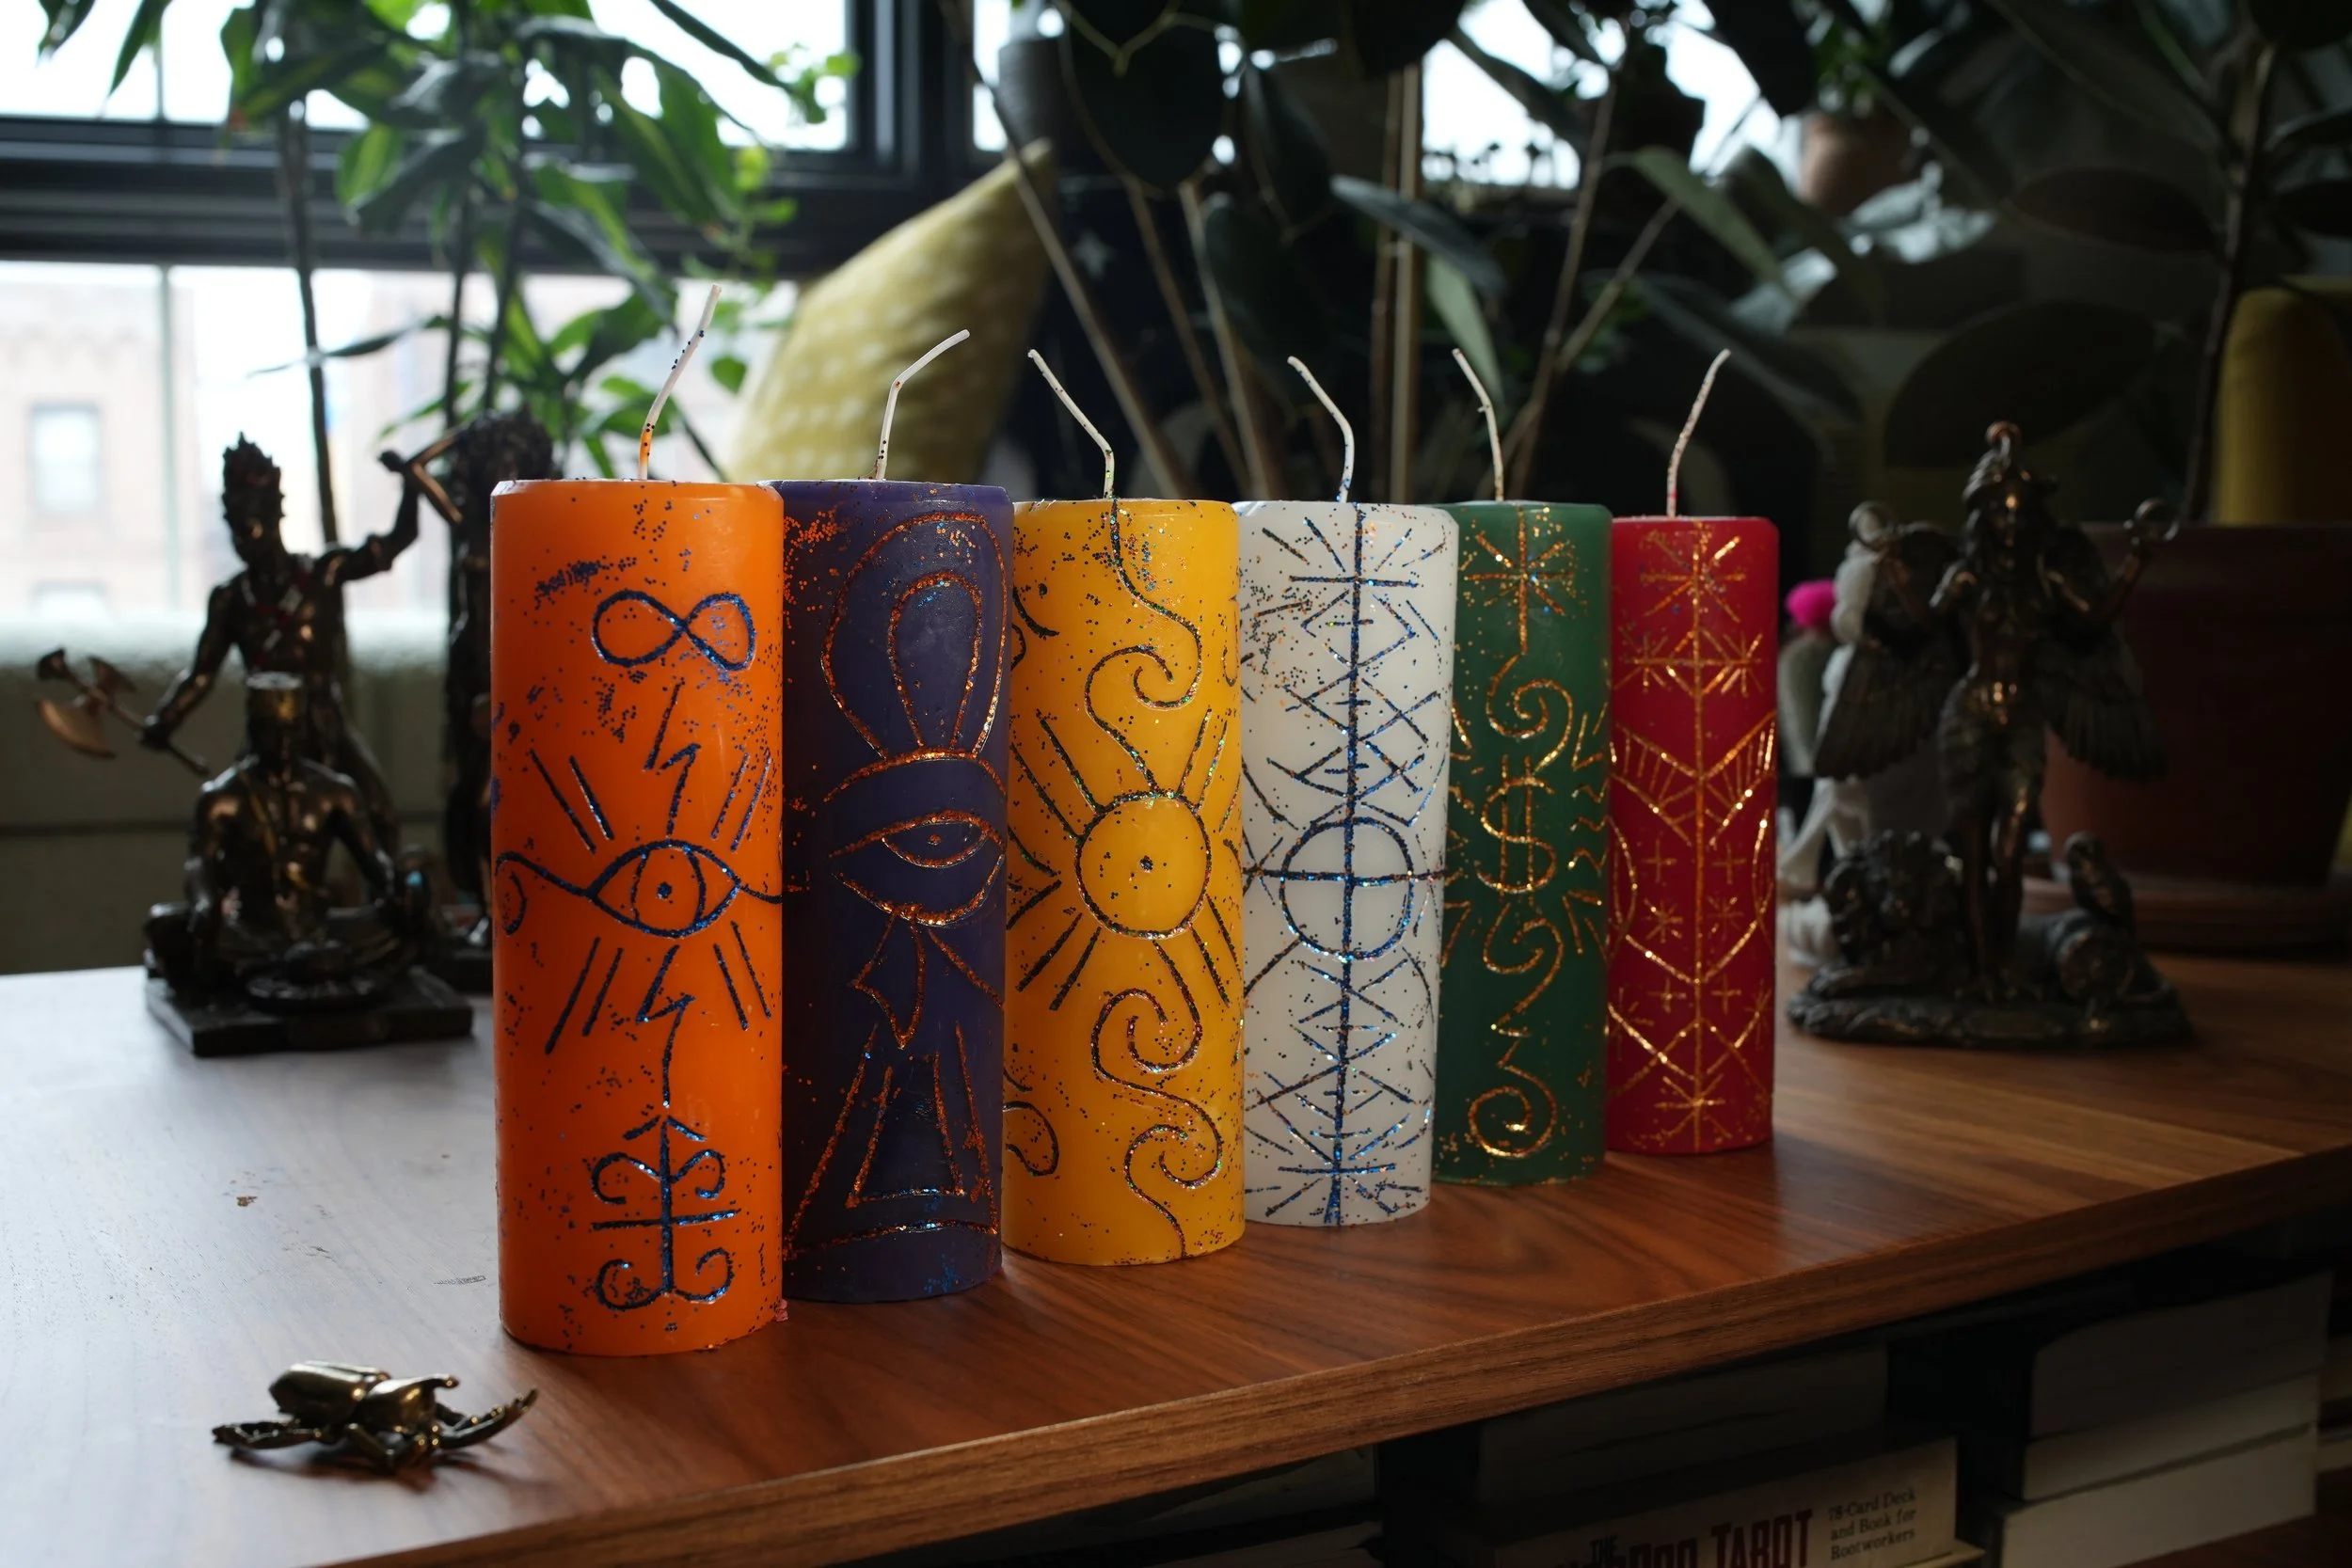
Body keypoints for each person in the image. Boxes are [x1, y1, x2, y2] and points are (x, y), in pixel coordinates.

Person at [140, 437, 421, 849]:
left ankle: (388, 886)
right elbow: (201, 674)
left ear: (273, 516)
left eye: (249, 524)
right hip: (265, 736)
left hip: (324, 721)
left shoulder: (324, 574)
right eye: (234, 527)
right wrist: (167, 717)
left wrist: (411, 484)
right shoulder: (231, 600)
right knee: (238, 829)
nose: (241, 539)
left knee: (379, 815)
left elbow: (399, 539)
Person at [147, 674, 432, 1000]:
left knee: (408, 917)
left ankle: (301, 965)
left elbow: (373, 859)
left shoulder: (335, 791)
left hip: (318, 927)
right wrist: (204, 903)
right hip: (253, 932)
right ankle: (310, 968)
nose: (283, 743)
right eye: (272, 731)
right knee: (167, 928)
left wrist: (398, 885)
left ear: (304, 730)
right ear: (253, 730)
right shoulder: (223, 798)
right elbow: (199, 863)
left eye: (291, 730)